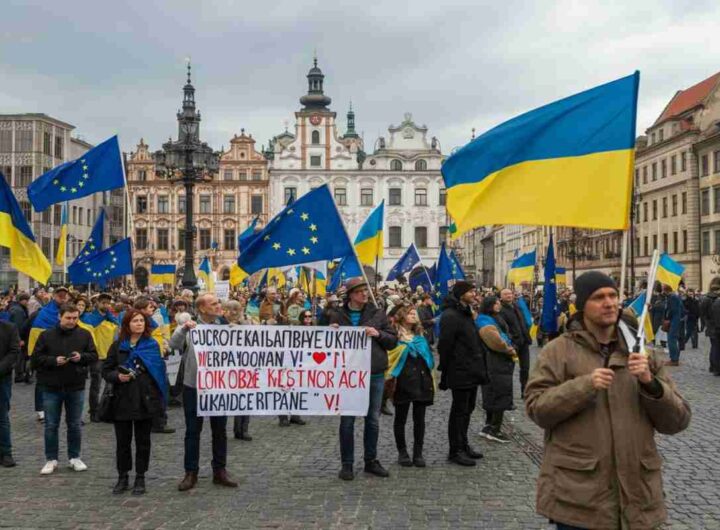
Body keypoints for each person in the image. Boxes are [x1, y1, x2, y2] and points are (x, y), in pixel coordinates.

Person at [525, 271, 691, 529]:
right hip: (580, 500)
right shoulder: (557, 351)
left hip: (637, 497)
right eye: (599, 297)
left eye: (613, 295)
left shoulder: (641, 353)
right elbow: (537, 409)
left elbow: (678, 421)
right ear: (581, 306)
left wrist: (651, 384)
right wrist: (584, 386)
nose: (609, 302)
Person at [327, 277, 398, 481]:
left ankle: (371, 460)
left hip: (373, 372)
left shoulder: (377, 314)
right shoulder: (337, 314)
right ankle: (347, 464)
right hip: (348, 375)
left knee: (372, 419)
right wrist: (329, 334)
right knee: (347, 420)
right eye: (359, 291)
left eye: (365, 291)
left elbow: (392, 341)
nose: (364, 294)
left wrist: (378, 334)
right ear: (350, 295)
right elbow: (321, 342)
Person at [170, 293, 237, 491]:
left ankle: (220, 470)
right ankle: (191, 472)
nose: (218, 306)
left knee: (220, 430)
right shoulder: (191, 327)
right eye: (214, 303)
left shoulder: (225, 326)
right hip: (194, 386)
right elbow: (173, 345)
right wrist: (183, 329)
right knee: (192, 431)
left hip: (219, 386)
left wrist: (237, 334)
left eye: (218, 303)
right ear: (202, 309)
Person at [103, 309, 167, 495]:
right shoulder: (117, 346)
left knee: (143, 441)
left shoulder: (152, 345)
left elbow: (158, 372)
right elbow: (106, 371)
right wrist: (118, 376)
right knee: (122, 442)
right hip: (122, 400)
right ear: (127, 324)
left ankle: (140, 477)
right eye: (135, 321)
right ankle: (123, 476)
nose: (139, 323)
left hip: (144, 400)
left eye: (141, 320)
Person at [31, 303, 98, 475]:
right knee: (51, 425)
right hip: (51, 386)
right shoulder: (46, 335)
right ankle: (51, 458)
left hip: (76, 385)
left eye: (75, 318)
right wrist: (54, 361)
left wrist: (80, 357)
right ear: (59, 317)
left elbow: (93, 356)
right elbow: (36, 359)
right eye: (68, 317)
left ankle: (74, 457)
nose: (72, 321)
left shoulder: (84, 334)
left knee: (74, 424)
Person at [437, 281, 488, 467]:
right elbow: (445, 345)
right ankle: (455, 450)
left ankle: (463, 444)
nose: (475, 293)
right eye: (471, 291)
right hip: (459, 370)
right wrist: (445, 371)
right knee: (458, 412)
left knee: (468, 409)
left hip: (472, 369)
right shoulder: (450, 315)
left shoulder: (466, 313)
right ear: (461, 294)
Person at [386, 304, 434, 468]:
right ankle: (402, 451)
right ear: (402, 316)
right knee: (401, 418)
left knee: (419, 419)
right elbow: (390, 356)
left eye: (415, 314)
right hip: (403, 381)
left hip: (421, 380)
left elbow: (429, 359)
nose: (414, 316)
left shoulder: (420, 336)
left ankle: (418, 452)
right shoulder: (394, 335)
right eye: (410, 313)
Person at [477, 296, 516, 443]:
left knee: (495, 393)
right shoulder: (484, 320)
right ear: (489, 305)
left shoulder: (494, 317)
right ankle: (494, 429)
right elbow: (496, 342)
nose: (499, 305)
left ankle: (489, 426)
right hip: (495, 361)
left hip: (498, 361)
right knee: (498, 393)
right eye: (496, 303)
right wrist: (509, 349)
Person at [82, 293, 119, 423]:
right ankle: (93, 411)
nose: (106, 305)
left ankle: (104, 408)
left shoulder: (111, 318)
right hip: (97, 355)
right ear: (97, 303)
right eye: (103, 303)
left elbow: (118, 328)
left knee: (109, 384)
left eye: (108, 303)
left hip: (108, 354)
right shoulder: (90, 317)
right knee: (95, 385)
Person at [223, 300, 252, 442]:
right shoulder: (219, 324)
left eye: (237, 309)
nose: (234, 312)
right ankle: (224, 429)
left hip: (244, 366)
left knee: (245, 398)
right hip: (225, 368)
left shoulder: (246, 322)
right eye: (230, 309)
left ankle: (243, 429)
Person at [499, 288, 531, 397]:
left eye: (510, 293)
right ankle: (507, 395)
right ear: (501, 296)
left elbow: (523, 322)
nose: (509, 295)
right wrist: (511, 340)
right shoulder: (501, 310)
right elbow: (503, 328)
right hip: (513, 344)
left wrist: (526, 334)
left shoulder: (517, 307)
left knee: (525, 368)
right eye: (506, 294)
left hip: (524, 342)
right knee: (509, 370)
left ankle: (525, 390)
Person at [0, 318, 20, 467]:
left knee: (2, 416)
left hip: (2, 377)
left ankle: (6, 452)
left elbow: (14, 351)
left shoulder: (9, 328)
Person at [663, 284, 684, 366]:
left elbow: (672, 310)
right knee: (673, 339)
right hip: (675, 320)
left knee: (671, 339)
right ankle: (675, 358)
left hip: (674, 320)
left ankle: (674, 359)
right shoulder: (673, 296)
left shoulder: (672, 297)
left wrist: (667, 317)